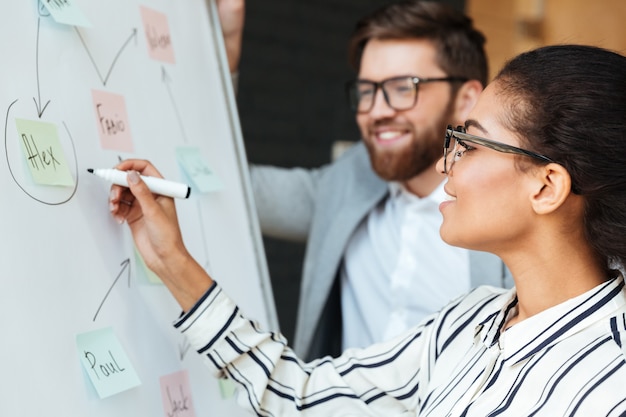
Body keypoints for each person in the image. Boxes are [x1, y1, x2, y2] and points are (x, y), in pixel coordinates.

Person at [109, 44, 626, 415]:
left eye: (469, 144)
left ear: (546, 186)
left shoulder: (608, 385)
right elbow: (303, 395)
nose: (448, 167)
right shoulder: (467, 322)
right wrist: (170, 261)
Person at [218, 0, 512, 361]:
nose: (377, 111)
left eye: (405, 88)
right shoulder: (349, 181)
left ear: (466, 99)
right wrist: (224, 54)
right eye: (367, 91)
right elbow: (231, 189)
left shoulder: (510, 213)